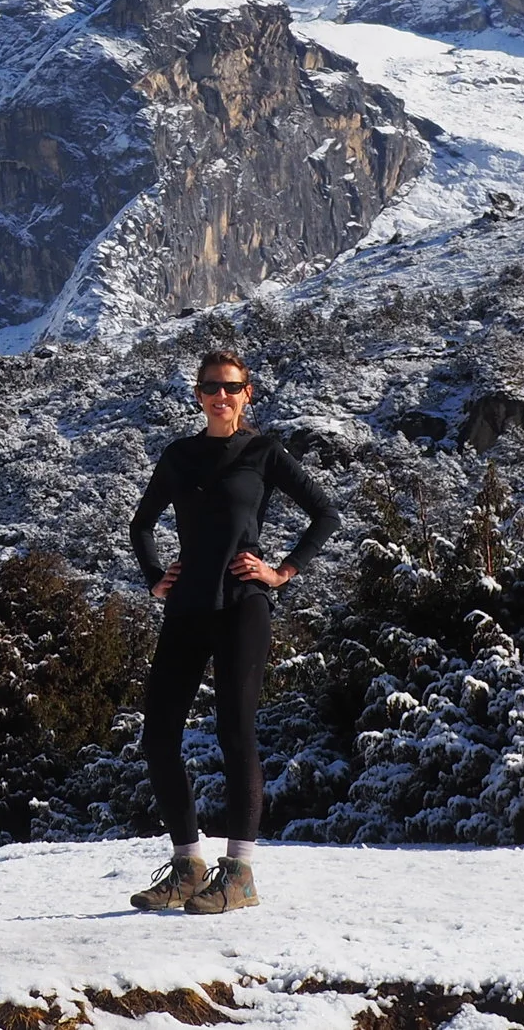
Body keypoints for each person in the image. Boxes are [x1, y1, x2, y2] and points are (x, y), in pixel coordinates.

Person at [126, 346, 338, 914]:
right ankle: (187, 867)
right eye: (210, 388)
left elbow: (325, 514)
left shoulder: (263, 452)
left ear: (247, 394)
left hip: (244, 605)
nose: (220, 396)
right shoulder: (179, 456)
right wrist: (155, 578)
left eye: (230, 387)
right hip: (187, 607)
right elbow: (141, 525)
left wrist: (281, 572)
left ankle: (239, 874)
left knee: (235, 733)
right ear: (198, 395)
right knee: (159, 735)